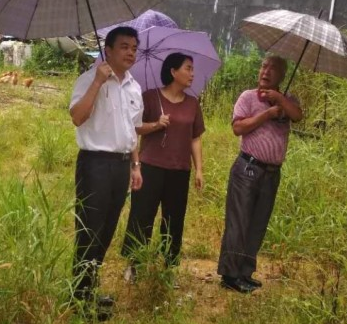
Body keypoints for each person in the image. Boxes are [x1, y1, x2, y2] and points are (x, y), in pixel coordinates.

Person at [69, 26, 144, 314]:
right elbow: (77, 117)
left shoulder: (134, 87)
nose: (130, 52)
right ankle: (79, 297)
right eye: (124, 46)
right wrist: (98, 82)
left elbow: (132, 131)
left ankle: (89, 289)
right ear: (108, 50)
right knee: (89, 229)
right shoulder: (90, 78)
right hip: (95, 164)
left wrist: (136, 165)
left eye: (134, 48)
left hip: (122, 165)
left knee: (107, 229)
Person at [217, 55, 303, 293]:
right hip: (247, 168)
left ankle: (245, 271)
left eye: (273, 69)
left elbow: (297, 115)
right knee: (239, 222)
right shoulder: (247, 97)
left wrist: (280, 100)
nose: (266, 72)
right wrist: (266, 114)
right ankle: (230, 275)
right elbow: (237, 128)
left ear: (282, 76)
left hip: (272, 173)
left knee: (257, 224)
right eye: (264, 66)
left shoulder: (288, 100)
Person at [121, 52, 205, 280]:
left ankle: (169, 267)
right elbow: (135, 129)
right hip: (150, 166)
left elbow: (195, 138)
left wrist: (199, 169)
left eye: (193, 69)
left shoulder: (192, 104)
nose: (192, 74)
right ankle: (134, 263)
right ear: (173, 71)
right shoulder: (149, 97)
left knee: (174, 219)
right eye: (188, 68)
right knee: (142, 216)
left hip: (179, 170)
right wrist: (156, 124)